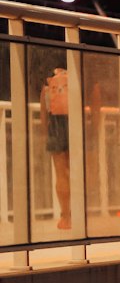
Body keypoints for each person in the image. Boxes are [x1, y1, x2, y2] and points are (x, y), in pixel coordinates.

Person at [40, 60, 71, 230]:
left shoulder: (49, 80)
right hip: (74, 123)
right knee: (74, 172)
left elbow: (44, 110)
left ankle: (65, 217)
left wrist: (46, 134)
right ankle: (77, 213)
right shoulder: (74, 76)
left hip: (55, 124)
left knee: (61, 174)